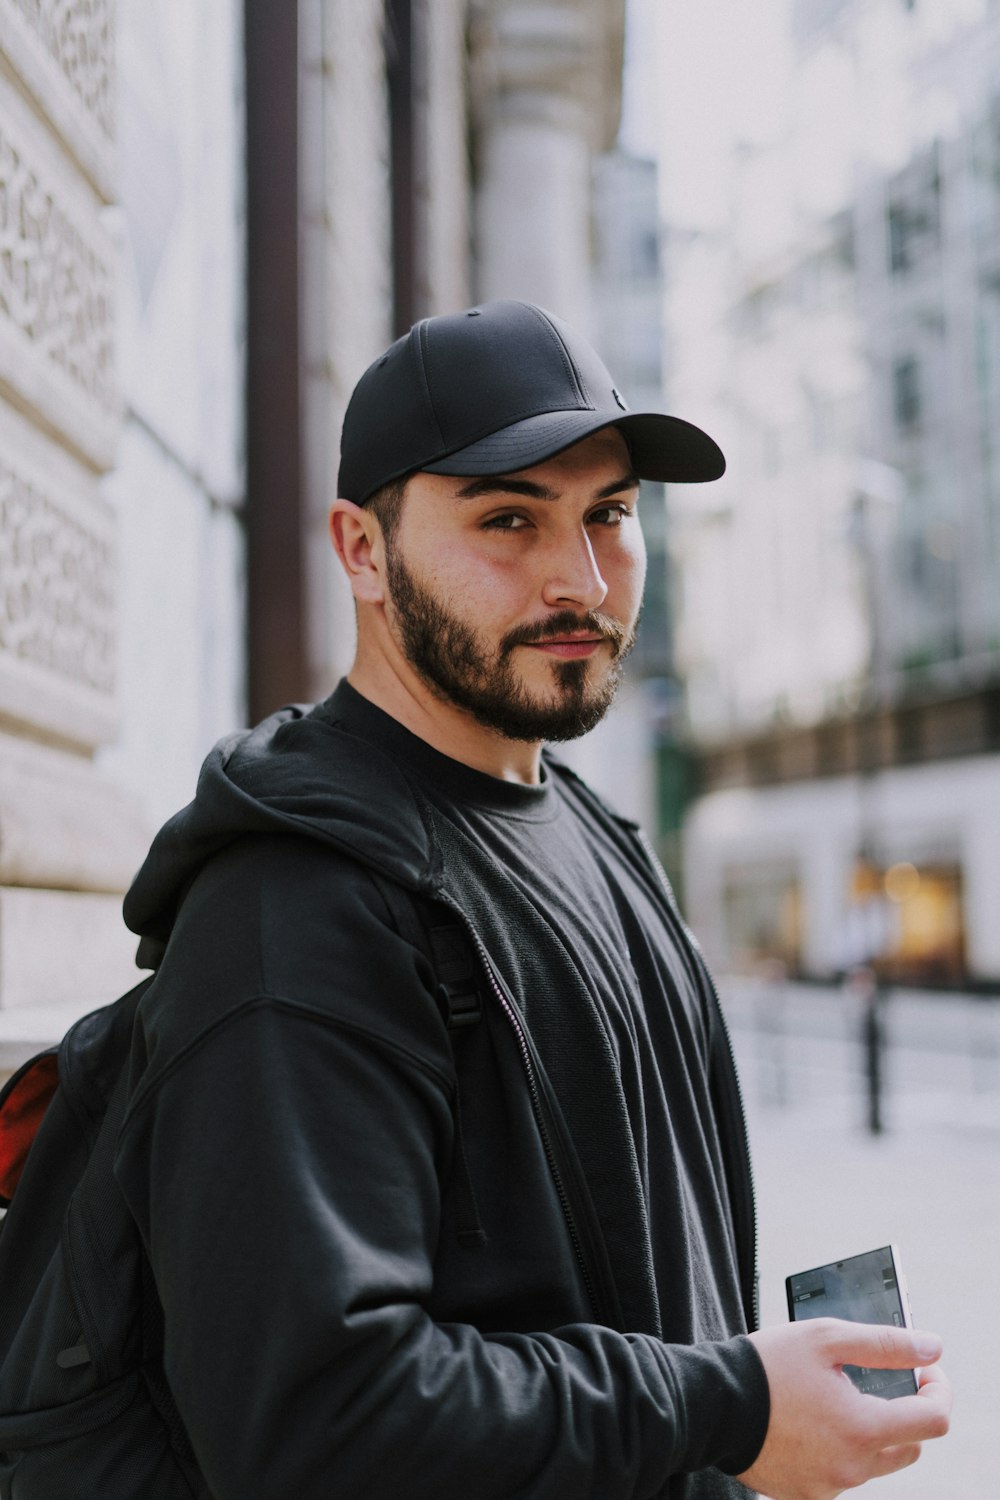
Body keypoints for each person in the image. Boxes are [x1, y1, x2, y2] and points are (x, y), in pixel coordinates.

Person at [118, 300, 950, 1499]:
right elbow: (312, 1423)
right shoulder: (292, 904)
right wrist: (732, 1406)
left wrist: (756, 1408)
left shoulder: (593, 830)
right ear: (361, 549)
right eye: (508, 518)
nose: (581, 578)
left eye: (609, 515)